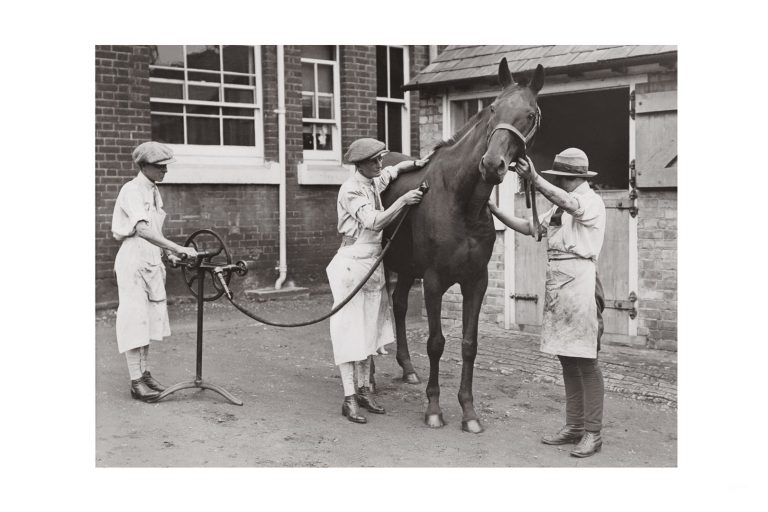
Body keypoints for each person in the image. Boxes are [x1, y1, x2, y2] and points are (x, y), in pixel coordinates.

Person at [489, 148, 607, 457]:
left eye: (560, 178)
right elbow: (531, 228)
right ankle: (574, 426)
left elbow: (569, 203)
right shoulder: (558, 208)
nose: (558, 182)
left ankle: (593, 433)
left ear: (571, 178)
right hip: (559, 285)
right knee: (567, 358)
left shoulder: (589, 201)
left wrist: (536, 179)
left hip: (581, 283)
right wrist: (493, 209)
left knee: (586, 360)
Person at [326, 138, 428, 424]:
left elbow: (391, 174)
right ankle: (348, 398)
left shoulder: (372, 181)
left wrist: (415, 164)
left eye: (381, 159)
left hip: (372, 266)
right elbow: (373, 221)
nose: (380, 165)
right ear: (360, 164)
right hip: (351, 265)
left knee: (369, 333)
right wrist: (403, 200)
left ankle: (363, 391)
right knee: (350, 333)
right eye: (375, 161)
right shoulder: (351, 190)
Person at [111, 141, 197, 402]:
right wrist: (178, 247)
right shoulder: (132, 189)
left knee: (148, 319)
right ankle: (135, 380)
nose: (165, 172)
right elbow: (141, 230)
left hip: (150, 257)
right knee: (135, 318)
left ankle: (145, 374)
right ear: (143, 165)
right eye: (160, 167)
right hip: (133, 260)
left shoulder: (153, 191)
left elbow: (154, 231)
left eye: (166, 167)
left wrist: (167, 253)